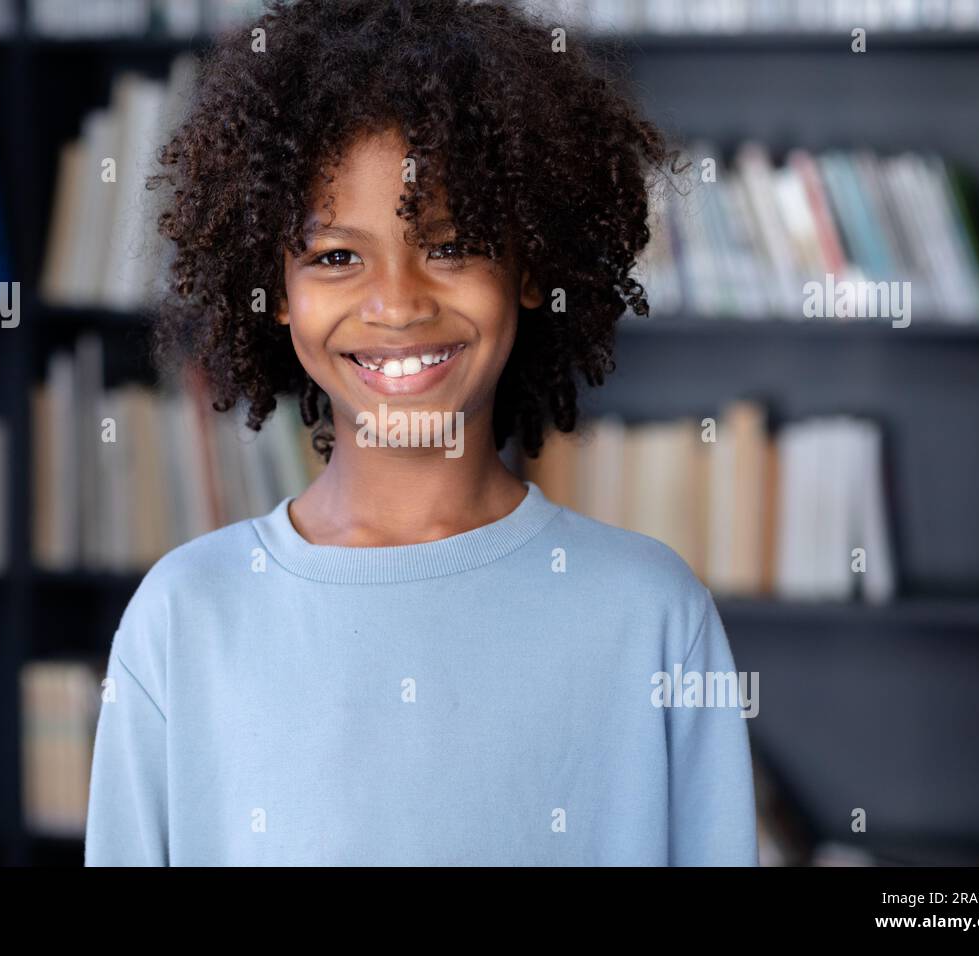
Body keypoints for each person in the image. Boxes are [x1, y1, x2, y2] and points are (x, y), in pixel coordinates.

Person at [84, 0, 758, 866]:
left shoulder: (654, 615)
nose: (397, 302)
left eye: (450, 245)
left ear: (529, 265)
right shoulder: (182, 621)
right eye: (335, 256)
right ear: (275, 290)